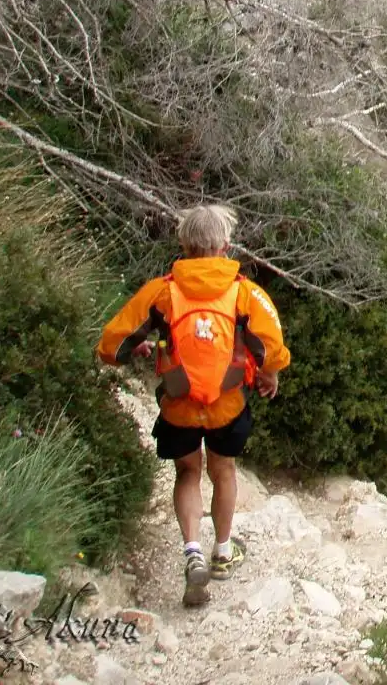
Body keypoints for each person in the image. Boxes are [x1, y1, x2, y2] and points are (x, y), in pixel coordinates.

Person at [96, 205, 289, 607]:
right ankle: (221, 550)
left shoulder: (162, 291)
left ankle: (192, 551)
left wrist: (136, 349)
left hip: (178, 404)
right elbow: (269, 345)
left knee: (187, 473)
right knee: (223, 470)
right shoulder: (244, 292)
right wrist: (270, 375)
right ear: (225, 244)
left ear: (184, 245)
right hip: (227, 403)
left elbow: (112, 344)